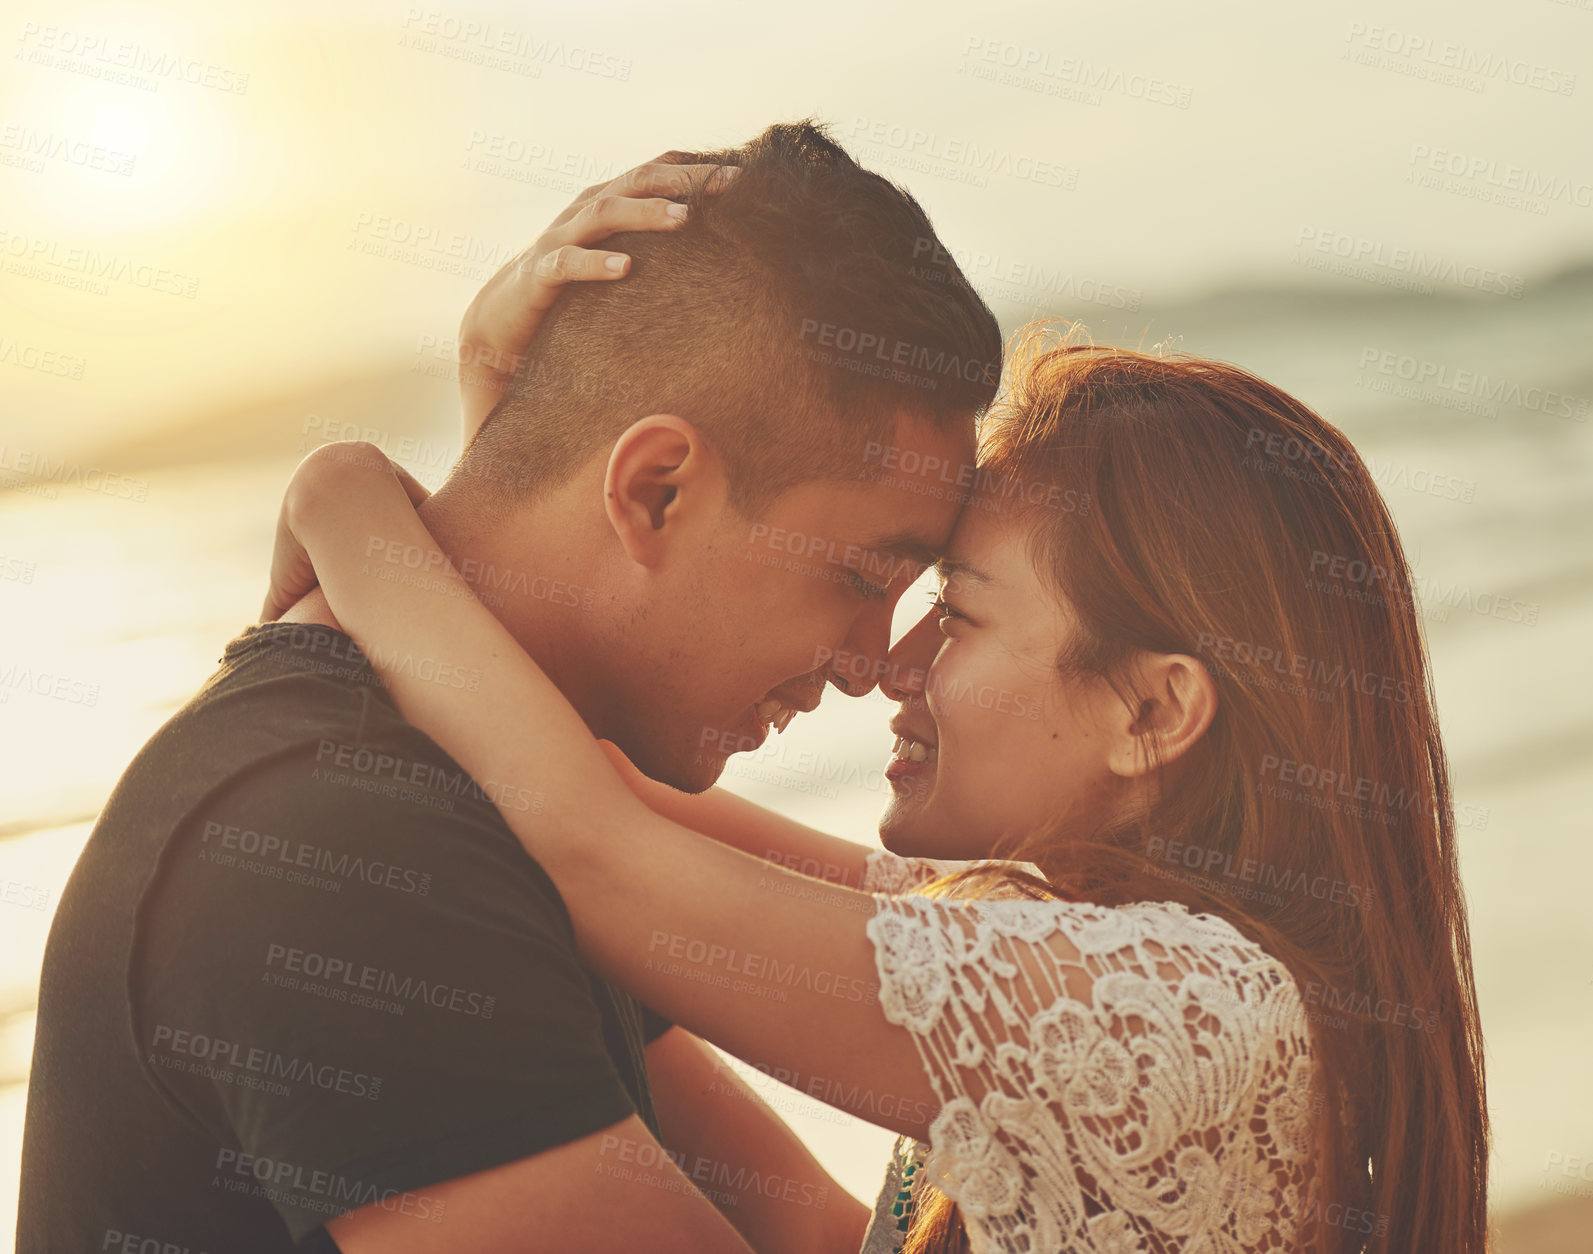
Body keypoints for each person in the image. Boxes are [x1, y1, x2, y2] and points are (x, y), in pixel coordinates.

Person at [266, 320, 1490, 1248]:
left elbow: (592, 849)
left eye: (953, 614)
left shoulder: (1188, 1006)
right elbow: (597, 796)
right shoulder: (1064, 934)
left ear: (1152, 711)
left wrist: (341, 500)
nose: (886, 666)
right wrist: (503, 407)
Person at [16, 122, 1001, 1254]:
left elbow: (807, 1234)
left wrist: (366, 482)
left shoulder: (476, 785)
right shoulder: (347, 844)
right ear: (658, 490)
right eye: (858, 576)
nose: (874, 663)